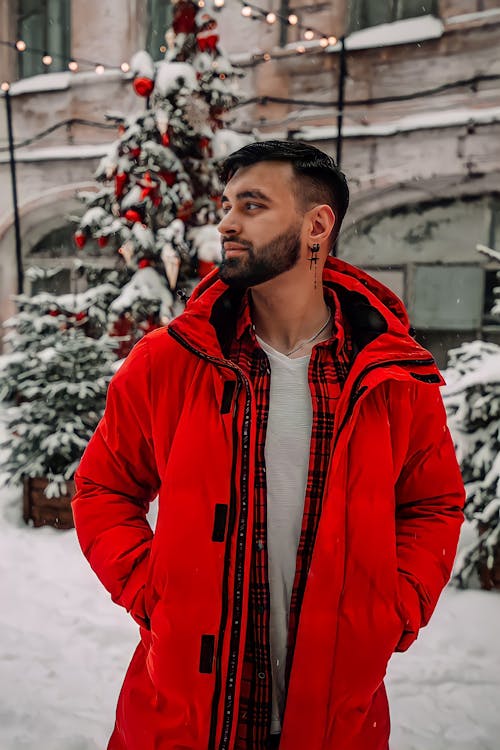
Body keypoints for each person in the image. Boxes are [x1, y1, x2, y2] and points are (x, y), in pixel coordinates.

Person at [72, 140, 465, 750]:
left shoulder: (390, 375)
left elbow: (434, 504)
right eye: (227, 205)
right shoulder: (169, 362)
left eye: (252, 205)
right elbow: (103, 488)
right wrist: (153, 592)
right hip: (182, 721)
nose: (226, 222)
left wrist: (394, 608)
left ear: (317, 224)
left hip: (337, 721)